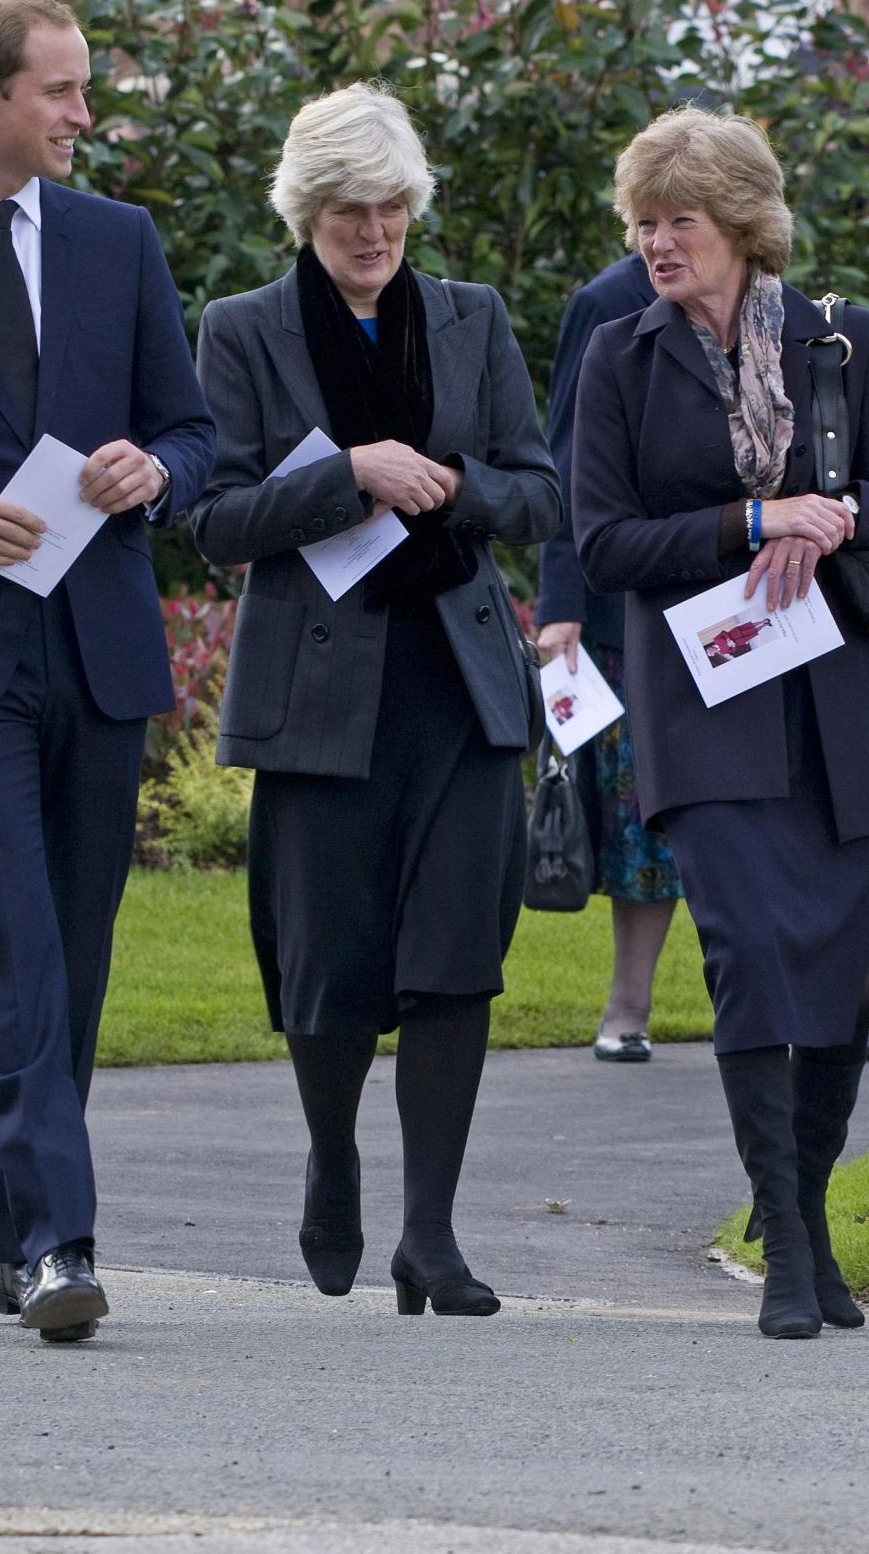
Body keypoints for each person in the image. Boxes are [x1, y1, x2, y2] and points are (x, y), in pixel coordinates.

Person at [191, 82, 561, 1317]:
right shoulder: (243, 327)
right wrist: (347, 474)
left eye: (393, 205)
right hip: (318, 690)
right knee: (329, 968)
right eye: (350, 208)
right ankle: (334, 1157)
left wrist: (451, 486)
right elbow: (211, 520)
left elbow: (540, 489)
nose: (374, 231)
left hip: (459, 686)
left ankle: (433, 1236)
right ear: (307, 211)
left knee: (458, 960)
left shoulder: (472, 317)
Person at [0, 0, 215, 1341]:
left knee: (74, 959)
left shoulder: (117, 239)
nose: (85, 115)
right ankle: (60, 1244)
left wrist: (157, 467)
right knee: (16, 936)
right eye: (61, 91)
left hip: (98, 651)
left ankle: (11, 1227)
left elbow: (192, 430)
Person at [572, 104, 869, 1339]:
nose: (655, 241)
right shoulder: (620, 357)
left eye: (677, 219)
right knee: (748, 951)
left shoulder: (842, 343)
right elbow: (601, 537)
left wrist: (837, 518)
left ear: (742, 222)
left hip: (842, 705)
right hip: (708, 699)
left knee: (848, 979)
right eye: (642, 221)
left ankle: (799, 1212)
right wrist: (752, 522)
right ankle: (790, 1239)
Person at [535, 253, 682, 1064]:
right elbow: (566, 457)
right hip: (624, 602)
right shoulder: (606, 302)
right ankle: (629, 1006)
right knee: (639, 819)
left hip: (743, 597)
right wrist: (560, 606)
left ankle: (769, 1001)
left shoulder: (774, 304)